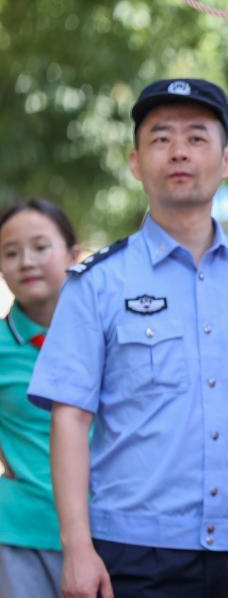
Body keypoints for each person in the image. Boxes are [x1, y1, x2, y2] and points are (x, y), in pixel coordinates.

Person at [27, 79, 228, 598]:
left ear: (226, 160)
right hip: (132, 552)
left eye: (197, 137)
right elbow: (70, 417)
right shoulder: (97, 283)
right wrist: (77, 548)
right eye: (160, 138)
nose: (179, 150)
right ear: (136, 162)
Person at [0, 199, 81, 598]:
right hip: (20, 538)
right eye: (11, 253)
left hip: (112, 534)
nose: (26, 262)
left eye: (40, 247)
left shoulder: (106, 339)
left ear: (73, 255)